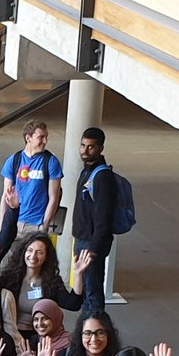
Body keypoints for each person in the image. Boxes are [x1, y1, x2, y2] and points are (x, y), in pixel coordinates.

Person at [7, 232, 88, 338]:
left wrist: (78, 275)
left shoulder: (51, 281)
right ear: (23, 252)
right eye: (30, 250)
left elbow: (73, 304)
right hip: (12, 334)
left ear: (46, 256)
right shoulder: (11, 277)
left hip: (40, 336)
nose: (33, 256)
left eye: (39, 252)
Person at [72, 127, 117, 311]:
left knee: (92, 292)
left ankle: (96, 330)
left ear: (100, 148)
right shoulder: (87, 171)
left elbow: (103, 219)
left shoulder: (102, 177)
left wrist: (93, 249)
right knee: (84, 290)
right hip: (82, 240)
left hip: (90, 244)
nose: (85, 150)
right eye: (83, 145)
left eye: (90, 147)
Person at [0, 119, 62, 237]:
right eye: (41, 137)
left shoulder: (51, 162)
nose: (45, 141)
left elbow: (54, 198)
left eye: (46, 137)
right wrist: (2, 227)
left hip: (36, 225)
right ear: (28, 138)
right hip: (13, 222)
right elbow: (5, 197)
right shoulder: (14, 160)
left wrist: (44, 227)